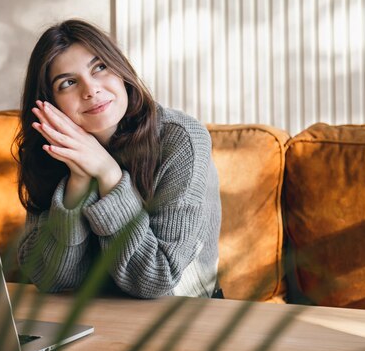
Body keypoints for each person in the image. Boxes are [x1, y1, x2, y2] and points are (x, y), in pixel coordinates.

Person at [14, 19, 221, 299]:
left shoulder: (180, 139)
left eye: (100, 67)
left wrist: (109, 175)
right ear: (49, 102)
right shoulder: (51, 150)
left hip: (180, 318)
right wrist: (79, 181)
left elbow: (157, 278)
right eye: (68, 83)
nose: (90, 90)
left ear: (121, 70)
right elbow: (50, 278)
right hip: (86, 317)